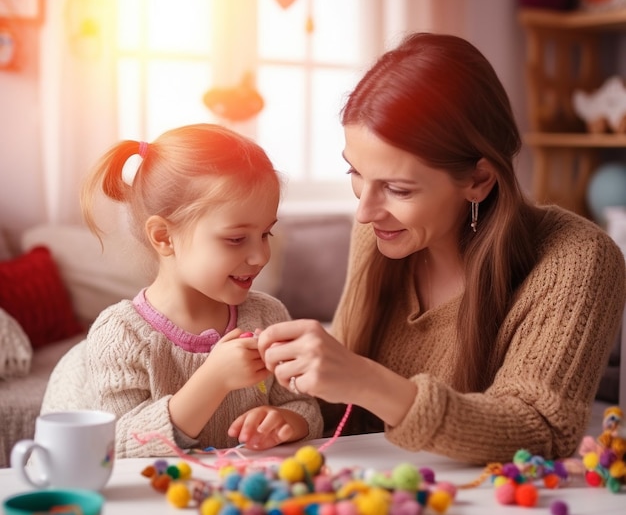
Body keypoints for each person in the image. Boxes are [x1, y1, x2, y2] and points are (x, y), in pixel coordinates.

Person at [257, 32, 626, 465]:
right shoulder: (380, 234)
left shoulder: (578, 259)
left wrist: (367, 381)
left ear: (478, 180)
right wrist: (294, 412)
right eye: (354, 172)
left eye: (397, 188)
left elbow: (540, 429)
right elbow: (346, 410)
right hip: (375, 495)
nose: (365, 212)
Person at [41, 123, 322, 458]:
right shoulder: (121, 334)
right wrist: (213, 380)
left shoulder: (267, 315)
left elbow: (305, 407)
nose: (261, 255)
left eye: (266, 234)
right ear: (163, 237)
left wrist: (288, 421)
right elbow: (118, 447)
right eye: (236, 238)